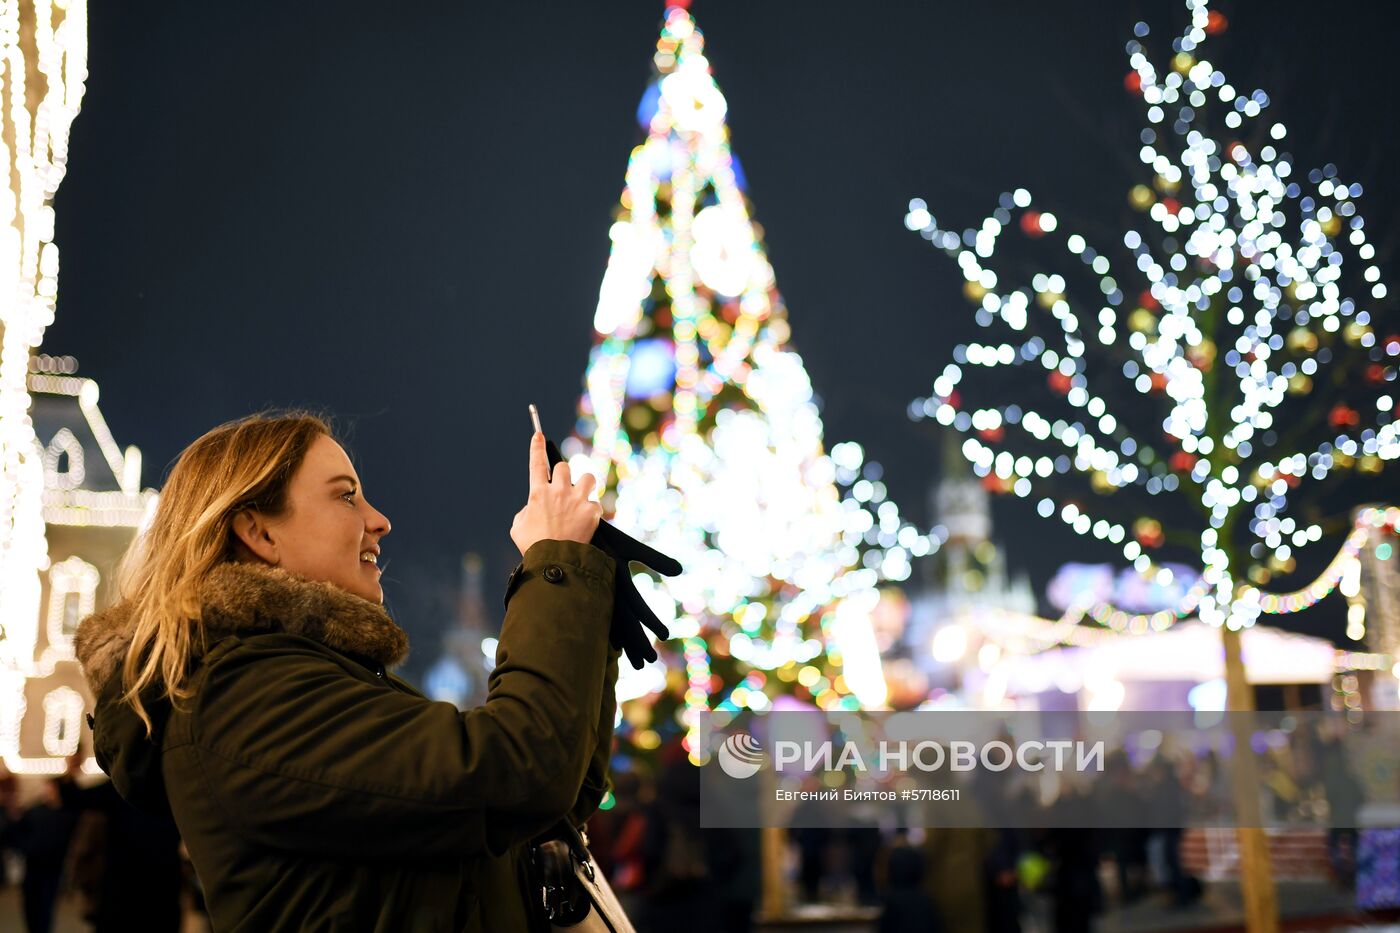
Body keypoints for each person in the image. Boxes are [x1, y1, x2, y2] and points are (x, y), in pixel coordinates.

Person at [74, 412, 620, 931]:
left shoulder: (308, 678)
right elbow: (518, 771)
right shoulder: (241, 695)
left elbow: (549, 802)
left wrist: (592, 608)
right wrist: (557, 566)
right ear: (260, 534)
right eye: (346, 495)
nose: (379, 521)